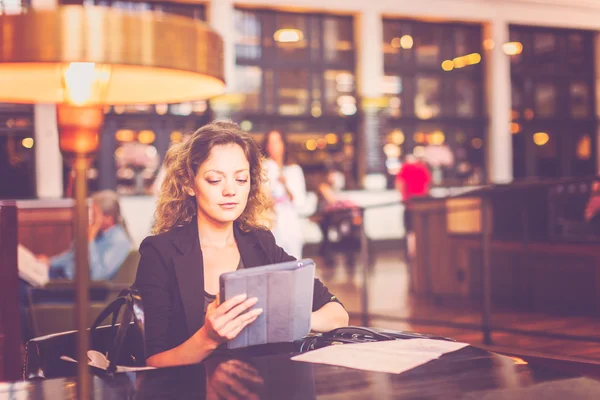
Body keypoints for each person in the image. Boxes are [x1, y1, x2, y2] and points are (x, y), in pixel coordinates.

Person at [134, 120, 348, 368]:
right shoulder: (160, 253)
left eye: (241, 179)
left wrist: (292, 319)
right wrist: (207, 338)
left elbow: (338, 314)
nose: (230, 191)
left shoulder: (260, 243)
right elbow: (153, 362)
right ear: (188, 184)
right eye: (215, 180)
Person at [19, 190, 132, 342]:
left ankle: (23, 348)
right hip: (61, 278)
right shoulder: (98, 233)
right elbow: (72, 255)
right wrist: (49, 261)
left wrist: (90, 240)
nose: (90, 216)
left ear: (108, 217)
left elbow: (98, 274)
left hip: (82, 290)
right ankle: (23, 346)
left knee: (21, 292)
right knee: (18, 282)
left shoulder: (119, 241)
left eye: (95, 213)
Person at [261, 130, 307, 259]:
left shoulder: (294, 170)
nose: (273, 146)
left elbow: (299, 201)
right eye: (270, 142)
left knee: (293, 261)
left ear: (284, 145)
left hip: (290, 223)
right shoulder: (263, 169)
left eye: (277, 142)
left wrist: (285, 184)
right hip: (271, 223)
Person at [395, 154, 431, 262]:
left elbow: (399, 184)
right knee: (422, 230)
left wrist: (403, 198)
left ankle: (412, 255)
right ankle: (423, 253)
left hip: (409, 205)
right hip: (422, 205)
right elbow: (427, 186)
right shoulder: (423, 168)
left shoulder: (405, 168)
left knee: (410, 231)